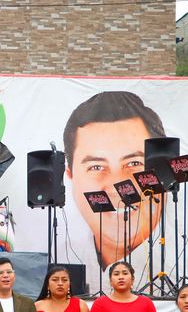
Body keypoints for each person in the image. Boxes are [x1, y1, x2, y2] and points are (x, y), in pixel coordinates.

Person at [59, 91, 169, 290]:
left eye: (134, 163)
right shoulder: (63, 258)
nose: (117, 186)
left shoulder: (178, 261)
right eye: (96, 167)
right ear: (70, 176)